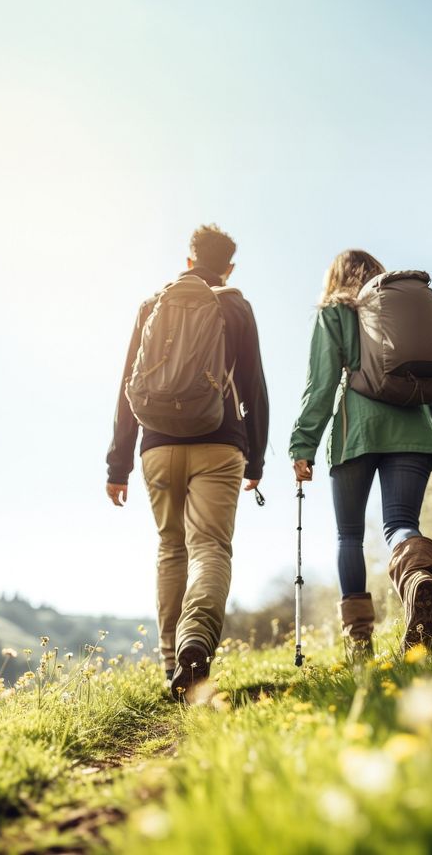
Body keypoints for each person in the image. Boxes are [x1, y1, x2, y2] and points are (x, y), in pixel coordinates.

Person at [106, 224, 269, 698]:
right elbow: (254, 387)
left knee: (171, 548)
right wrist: (255, 456)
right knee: (210, 549)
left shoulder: (153, 303)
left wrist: (119, 465)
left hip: (156, 445)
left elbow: (126, 386)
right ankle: (195, 643)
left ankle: (170, 665)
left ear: (190, 258)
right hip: (219, 442)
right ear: (229, 266)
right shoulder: (236, 304)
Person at [289, 250, 432, 657]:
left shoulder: (334, 313)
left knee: (349, 536)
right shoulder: (413, 313)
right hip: (415, 431)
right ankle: (418, 578)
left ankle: (359, 642)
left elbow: (321, 384)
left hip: (356, 433)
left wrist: (303, 443)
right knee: (401, 523)